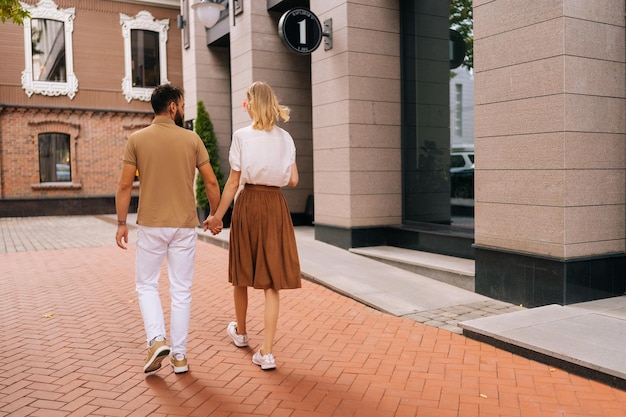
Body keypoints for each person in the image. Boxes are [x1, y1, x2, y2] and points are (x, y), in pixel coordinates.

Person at [115, 84, 221, 374]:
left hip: (151, 225)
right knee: (181, 289)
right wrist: (215, 215)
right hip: (184, 225)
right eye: (182, 104)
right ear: (172, 107)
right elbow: (211, 182)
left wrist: (122, 222)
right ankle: (180, 357)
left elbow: (125, 185)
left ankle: (157, 338)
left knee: (146, 284)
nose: (183, 109)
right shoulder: (192, 139)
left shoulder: (136, 139)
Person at [205, 81, 301, 370]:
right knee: (272, 282)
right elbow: (294, 180)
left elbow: (234, 182)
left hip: (248, 205)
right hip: (275, 206)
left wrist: (218, 215)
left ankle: (242, 333)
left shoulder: (242, 136)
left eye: (245, 101)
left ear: (251, 104)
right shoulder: (286, 138)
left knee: (242, 272)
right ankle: (267, 352)